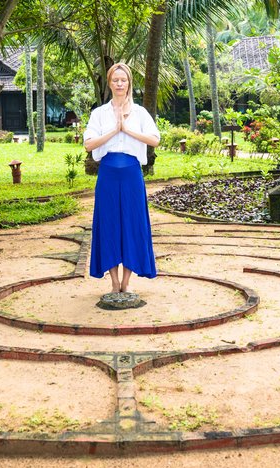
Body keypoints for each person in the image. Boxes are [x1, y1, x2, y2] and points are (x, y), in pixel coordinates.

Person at [83, 63, 160, 294]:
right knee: (109, 225)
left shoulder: (140, 113)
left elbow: (154, 140)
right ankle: (114, 283)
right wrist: (114, 130)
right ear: (109, 83)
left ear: (129, 83)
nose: (119, 84)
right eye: (115, 80)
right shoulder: (99, 113)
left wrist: (127, 129)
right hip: (107, 175)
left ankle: (126, 282)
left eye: (123, 80)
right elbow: (88, 143)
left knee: (132, 223)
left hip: (131, 175)